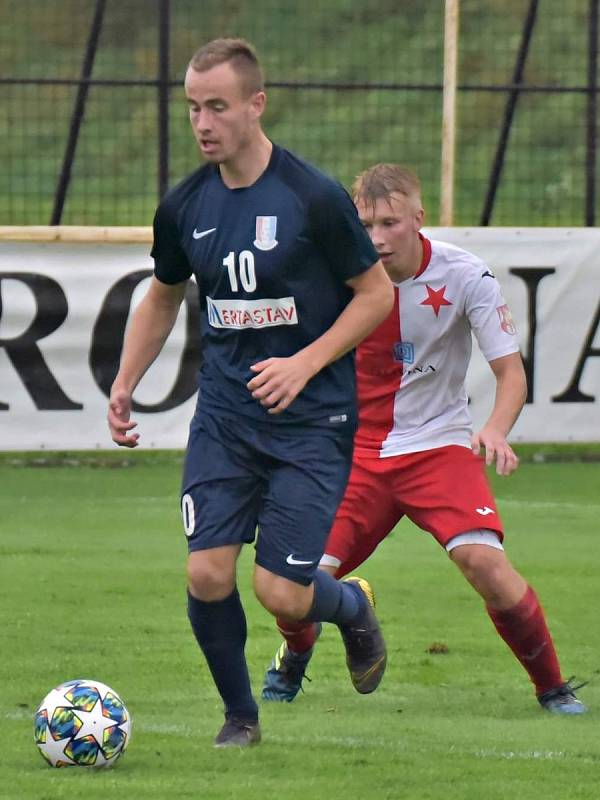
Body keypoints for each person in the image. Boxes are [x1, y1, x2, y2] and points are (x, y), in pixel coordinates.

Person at [107, 39, 394, 748]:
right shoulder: (184, 206)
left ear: (255, 105)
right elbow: (164, 296)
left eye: (217, 107)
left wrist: (305, 361)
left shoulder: (312, 196)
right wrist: (123, 384)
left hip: (311, 423)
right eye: (193, 108)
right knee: (207, 573)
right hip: (227, 418)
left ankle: (349, 605)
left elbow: (375, 295)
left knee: (282, 594)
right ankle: (241, 716)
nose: (203, 123)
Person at [262, 163, 588, 715]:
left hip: (438, 448)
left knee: (485, 564)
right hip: (351, 455)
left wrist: (494, 429)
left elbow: (511, 374)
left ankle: (552, 688)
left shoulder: (465, 275)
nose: (376, 238)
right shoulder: (330, 275)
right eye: (364, 224)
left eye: (389, 223)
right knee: (293, 585)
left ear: (418, 218)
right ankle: (294, 656)